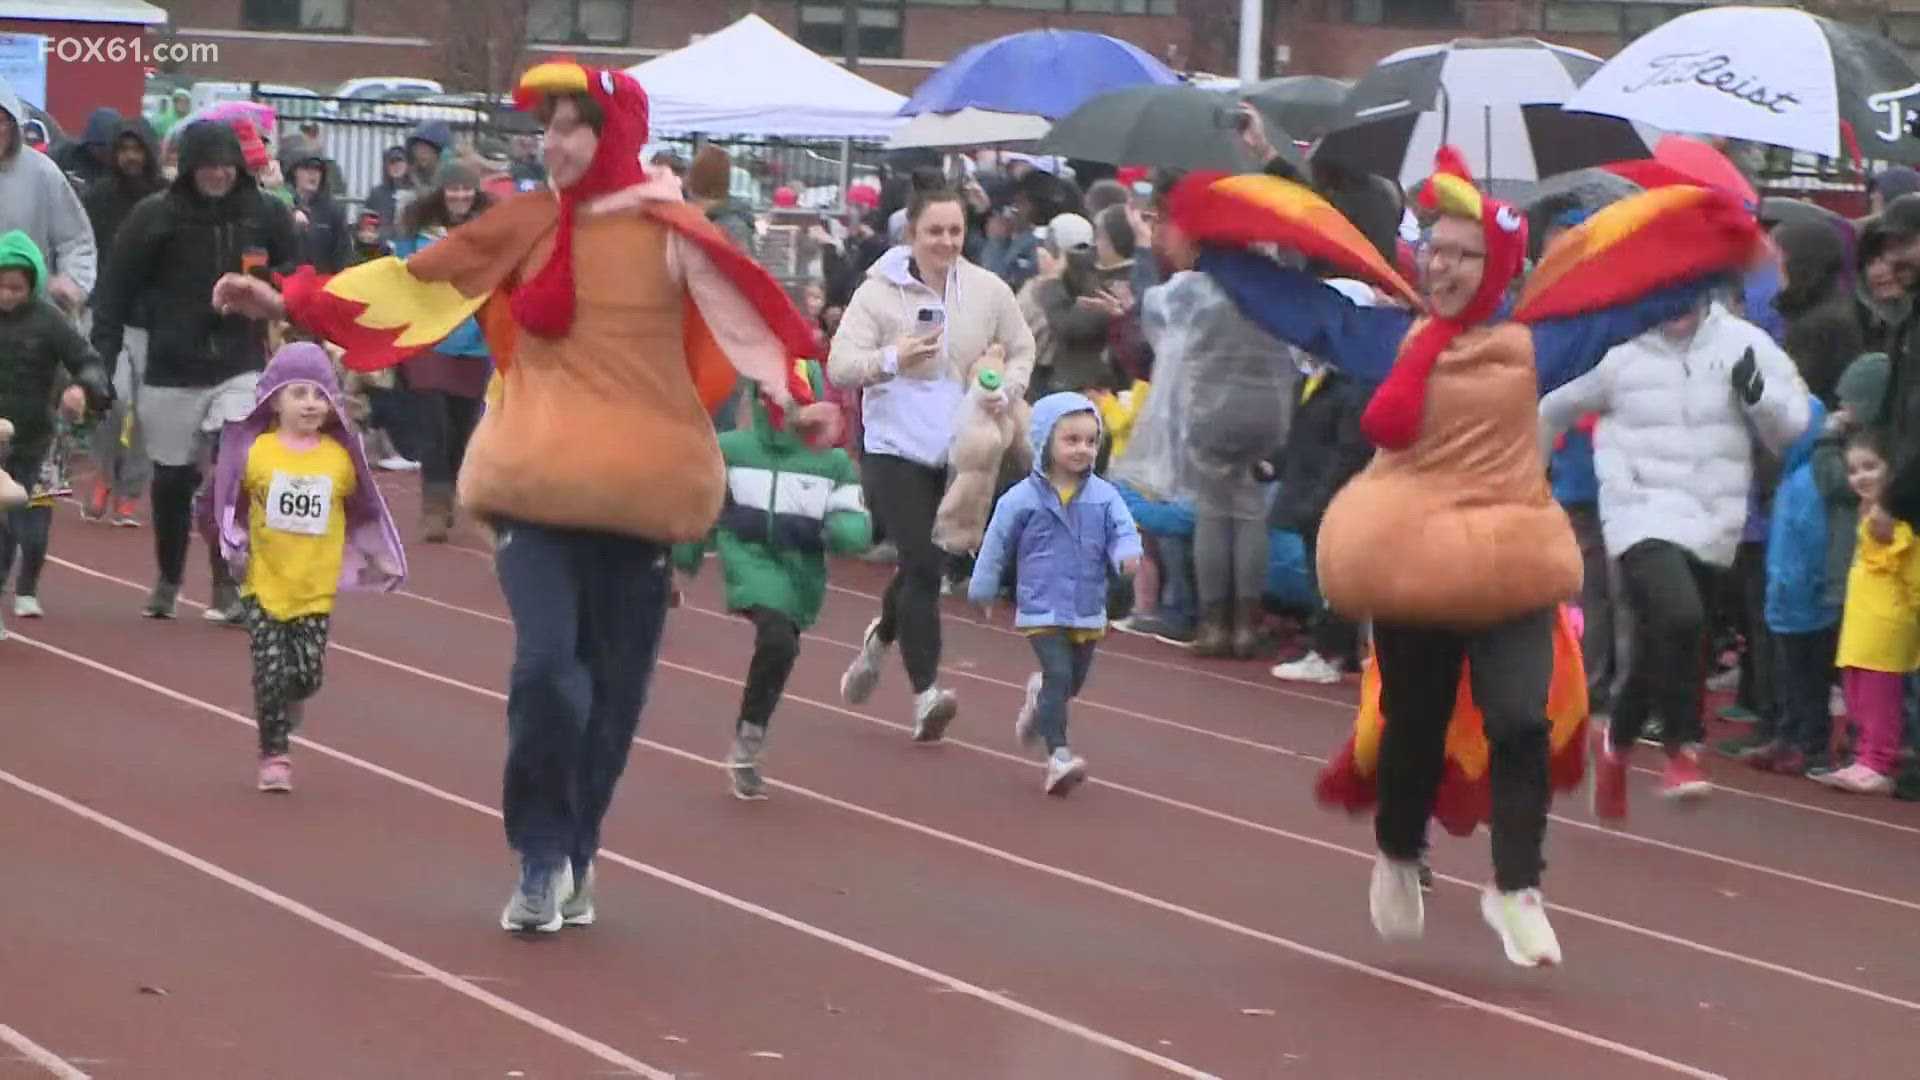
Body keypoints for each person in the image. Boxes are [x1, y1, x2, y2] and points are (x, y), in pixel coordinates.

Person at [212, 63, 821, 932]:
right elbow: (415, 284)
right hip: (535, 489)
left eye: (574, 125)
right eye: (548, 126)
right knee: (547, 675)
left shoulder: (673, 231)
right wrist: (291, 298)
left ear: (612, 135)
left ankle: (577, 852)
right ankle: (539, 858)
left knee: (612, 700)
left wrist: (808, 399)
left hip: (643, 498)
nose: (555, 142)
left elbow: (754, 324)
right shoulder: (525, 225)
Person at [1195, 152, 1762, 967]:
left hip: (1507, 562)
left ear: (1495, 265)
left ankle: (1517, 888)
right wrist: (1213, 248)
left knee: (1522, 720)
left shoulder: (1538, 345)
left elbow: (1635, 306)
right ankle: (1397, 851)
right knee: (1413, 729)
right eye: (1434, 248)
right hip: (1414, 565)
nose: (1441, 263)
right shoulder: (1386, 336)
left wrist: (1720, 251)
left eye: (1461, 253)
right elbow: (1297, 308)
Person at [1541, 301, 1810, 814]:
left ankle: (1615, 745)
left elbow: (1792, 428)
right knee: (1682, 617)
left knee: (1659, 642)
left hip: (1714, 521)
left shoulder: (1742, 342)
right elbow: (1553, 407)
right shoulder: (1618, 349)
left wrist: (1759, 396)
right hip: (1638, 513)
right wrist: (1529, 481)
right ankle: (1682, 749)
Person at [829, 188, 1037, 742]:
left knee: (927, 567)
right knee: (921, 562)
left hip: (962, 453)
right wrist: (894, 358)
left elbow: (1021, 348)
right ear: (911, 235)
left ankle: (879, 640)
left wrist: (1003, 388)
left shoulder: (988, 290)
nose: (946, 242)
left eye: (954, 231)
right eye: (934, 232)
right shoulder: (878, 293)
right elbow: (841, 364)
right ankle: (927, 695)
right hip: (893, 449)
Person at [92, 119, 298, 622]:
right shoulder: (153, 218)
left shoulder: (266, 214)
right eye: (207, 167)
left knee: (234, 461)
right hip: (170, 364)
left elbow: (298, 278)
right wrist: (101, 361)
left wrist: (288, 319)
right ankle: (168, 576)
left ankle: (226, 580)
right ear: (188, 169)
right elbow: (115, 290)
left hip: (239, 361)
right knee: (172, 480)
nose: (218, 175)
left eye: (226, 166)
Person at [207, 343, 404, 792]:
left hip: (314, 587)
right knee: (270, 670)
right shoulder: (257, 452)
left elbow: (362, 509)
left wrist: (376, 554)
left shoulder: (338, 459)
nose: (311, 403)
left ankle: (289, 700)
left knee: (307, 673)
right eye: (299, 393)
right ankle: (274, 753)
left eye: (319, 394)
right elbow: (229, 505)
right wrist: (232, 540)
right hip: (264, 583)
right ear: (275, 400)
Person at [673, 362, 870, 799]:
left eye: (799, 398)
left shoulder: (832, 462)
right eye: (776, 397)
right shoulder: (731, 449)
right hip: (749, 557)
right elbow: (700, 503)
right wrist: (682, 554)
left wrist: (846, 531)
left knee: (784, 645)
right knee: (777, 636)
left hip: (802, 570)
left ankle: (751, 735)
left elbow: (853, 519)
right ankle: (747, 745)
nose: (786, 408)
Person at [969, 392, 1141, 795]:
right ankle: (1058, 756)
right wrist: (983, 586)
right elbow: (996, 542)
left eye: (1090, 441)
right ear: (1046, 441)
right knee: (1060, 675)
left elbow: (1124, 531)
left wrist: (1127, 554)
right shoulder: (1022, 498)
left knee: (1069, 684)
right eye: (1072, 440)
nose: (1083, 449)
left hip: (1087, 605)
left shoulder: (1104, 496)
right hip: (1042, 604)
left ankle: (1040, 698)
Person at [0, 230, 111, 639]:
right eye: (1, 287)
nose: (7, 295)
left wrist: (82, 388)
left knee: (33, 524)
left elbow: (88, 360)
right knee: (2, 525)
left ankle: (27, 585)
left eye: (16, 287)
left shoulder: (49, 320)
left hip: (41, 438)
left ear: (32, 284)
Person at [387, 162, 494, 542]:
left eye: (467, 190)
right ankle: (434, 504)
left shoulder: (489, 229)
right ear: (440, 192)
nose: (460, 196)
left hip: (475, 342)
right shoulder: (417, 229)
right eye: (453, 189)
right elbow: (398, 274)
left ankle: (448, 491)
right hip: (428, 338)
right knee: (434, 422)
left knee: (462, 427)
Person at [1821, 428, 1920, 794]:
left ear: (1892, 472)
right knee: (1858, 695)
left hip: (1887, 625)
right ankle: (1864, 756)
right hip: (1861, 625)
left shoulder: (1896, 524)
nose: (1860, 476)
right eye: (1853, 470)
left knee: (1881, 700)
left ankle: (1878, 760)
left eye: (1870, 467)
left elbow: (1912, 574)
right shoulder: (1865, 515)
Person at [78, 114, 165, 526]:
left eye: (137, 150)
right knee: (113, 400)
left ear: (149, 153)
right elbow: (83, 247)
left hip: (157, 320)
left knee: (148, 410)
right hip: (111, 315)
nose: (131, 157)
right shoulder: (98, 197)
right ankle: (103, 474)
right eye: (124, 150)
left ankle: (131, 492)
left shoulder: (168, 199)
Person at [0, 78, 96, 313]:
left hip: (31, 316)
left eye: (0, 122)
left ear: (13, 125)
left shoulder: (42, 173)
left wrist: (73, 282)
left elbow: (75, 241)